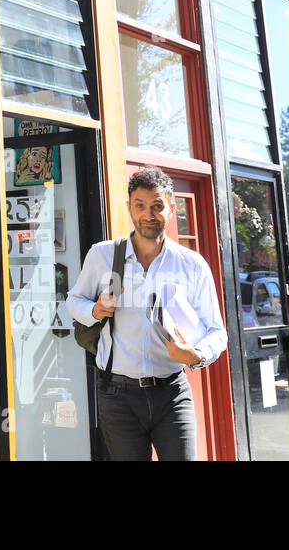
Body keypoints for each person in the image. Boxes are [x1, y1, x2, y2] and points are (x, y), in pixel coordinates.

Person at [67, 166, 227, 461]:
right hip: (117, 396)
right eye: (140, 206)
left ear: (171, 207)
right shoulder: (102, 255)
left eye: (157, 206)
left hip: (172, 394)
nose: (148, 215)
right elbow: (73, 301)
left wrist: (196, 356)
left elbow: (217, 331)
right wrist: (95, 309)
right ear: (129, 207)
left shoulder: (191, 264)